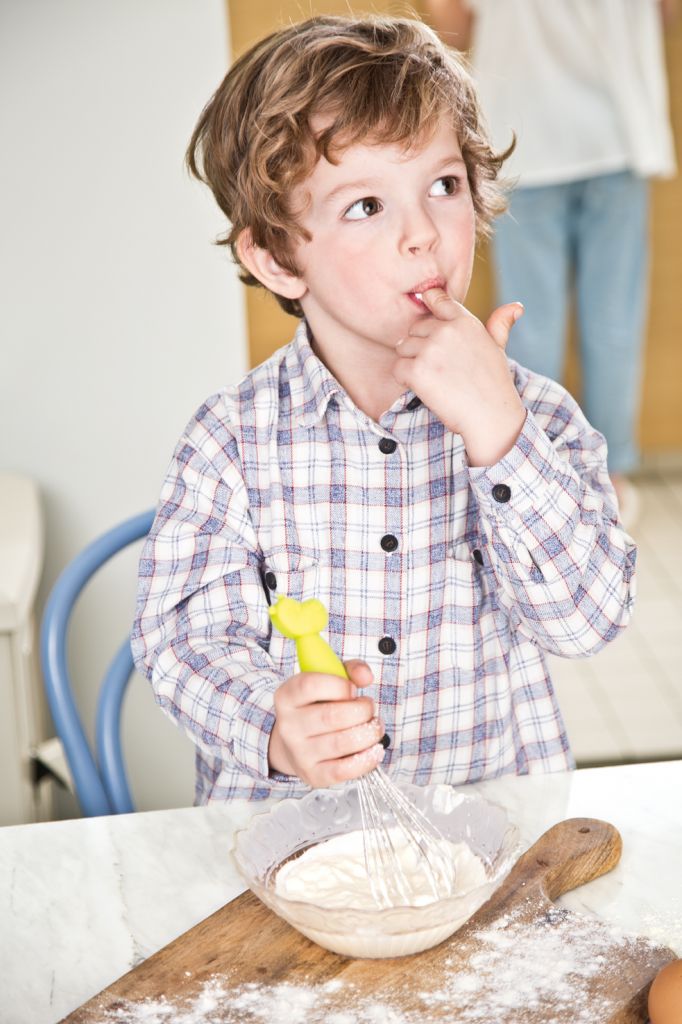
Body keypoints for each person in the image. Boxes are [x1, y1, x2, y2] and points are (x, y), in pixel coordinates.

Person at [131, 16, 636, 803]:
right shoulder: (230, 441)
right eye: (365, 205)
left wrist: (500, 435)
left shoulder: (535, 415)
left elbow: (588, 620)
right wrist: (270, 721)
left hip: (492, 857)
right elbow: (186, 645)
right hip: (293, 859)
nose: (424, 234)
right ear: (273, 256)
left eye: (444, 186)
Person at [425, 0, 677, 526]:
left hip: (525, 130)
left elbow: (447, 14)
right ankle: (611, 477)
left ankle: (541, 470)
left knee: (528, 320)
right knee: (613, 321)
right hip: (616, 131)